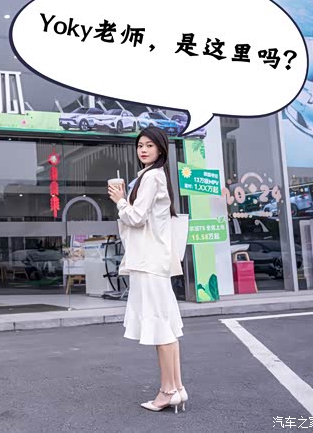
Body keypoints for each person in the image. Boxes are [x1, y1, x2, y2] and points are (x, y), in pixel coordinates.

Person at [107, 126, 187, 413]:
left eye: (149, 145)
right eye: (140, 145)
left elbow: (136, 217)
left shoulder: (151, 176)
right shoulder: (153, 175)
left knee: (159, 327)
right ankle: (176, 388)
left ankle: (167, 391)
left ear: (160, 149)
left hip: (148, 262)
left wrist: (120, 200)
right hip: (156, 261)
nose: (143, 149)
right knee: (166, 325)